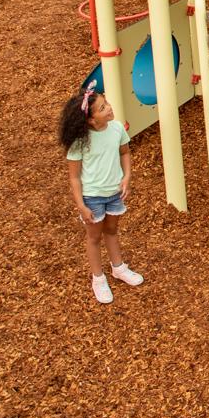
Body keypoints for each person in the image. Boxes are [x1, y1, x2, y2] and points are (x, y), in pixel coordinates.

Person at [58, 81, 144, 303]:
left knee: (112, 231)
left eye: (107, 104)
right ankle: (98, 278)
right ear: (90, 119)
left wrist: (126, 177)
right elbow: (74, 177)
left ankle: (118, 268)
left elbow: (124, 153)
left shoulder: (116, 129)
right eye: (103, 108)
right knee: (94, 236)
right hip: (92, 197)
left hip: (115, 193)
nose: (110, 109)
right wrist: (81, 205)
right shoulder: (80, 142)